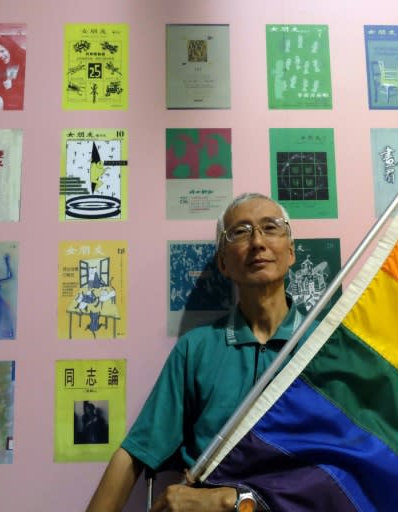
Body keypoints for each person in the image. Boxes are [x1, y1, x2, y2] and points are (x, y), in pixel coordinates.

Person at [87, 192, 310, 512]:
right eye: (240, 232)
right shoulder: (197, 349)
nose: (258, 242)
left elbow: (342, 470)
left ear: (291, 251)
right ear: (223, 262)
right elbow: (137, 452)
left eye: (270, 228)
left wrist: (234, 502)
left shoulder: (326, 346)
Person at [0, 36, 26, 110]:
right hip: (8, 101)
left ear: (10, 48)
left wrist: (13, 84)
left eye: (2, 51)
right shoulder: (0, 63)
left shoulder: (25, 58)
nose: (0, 55)